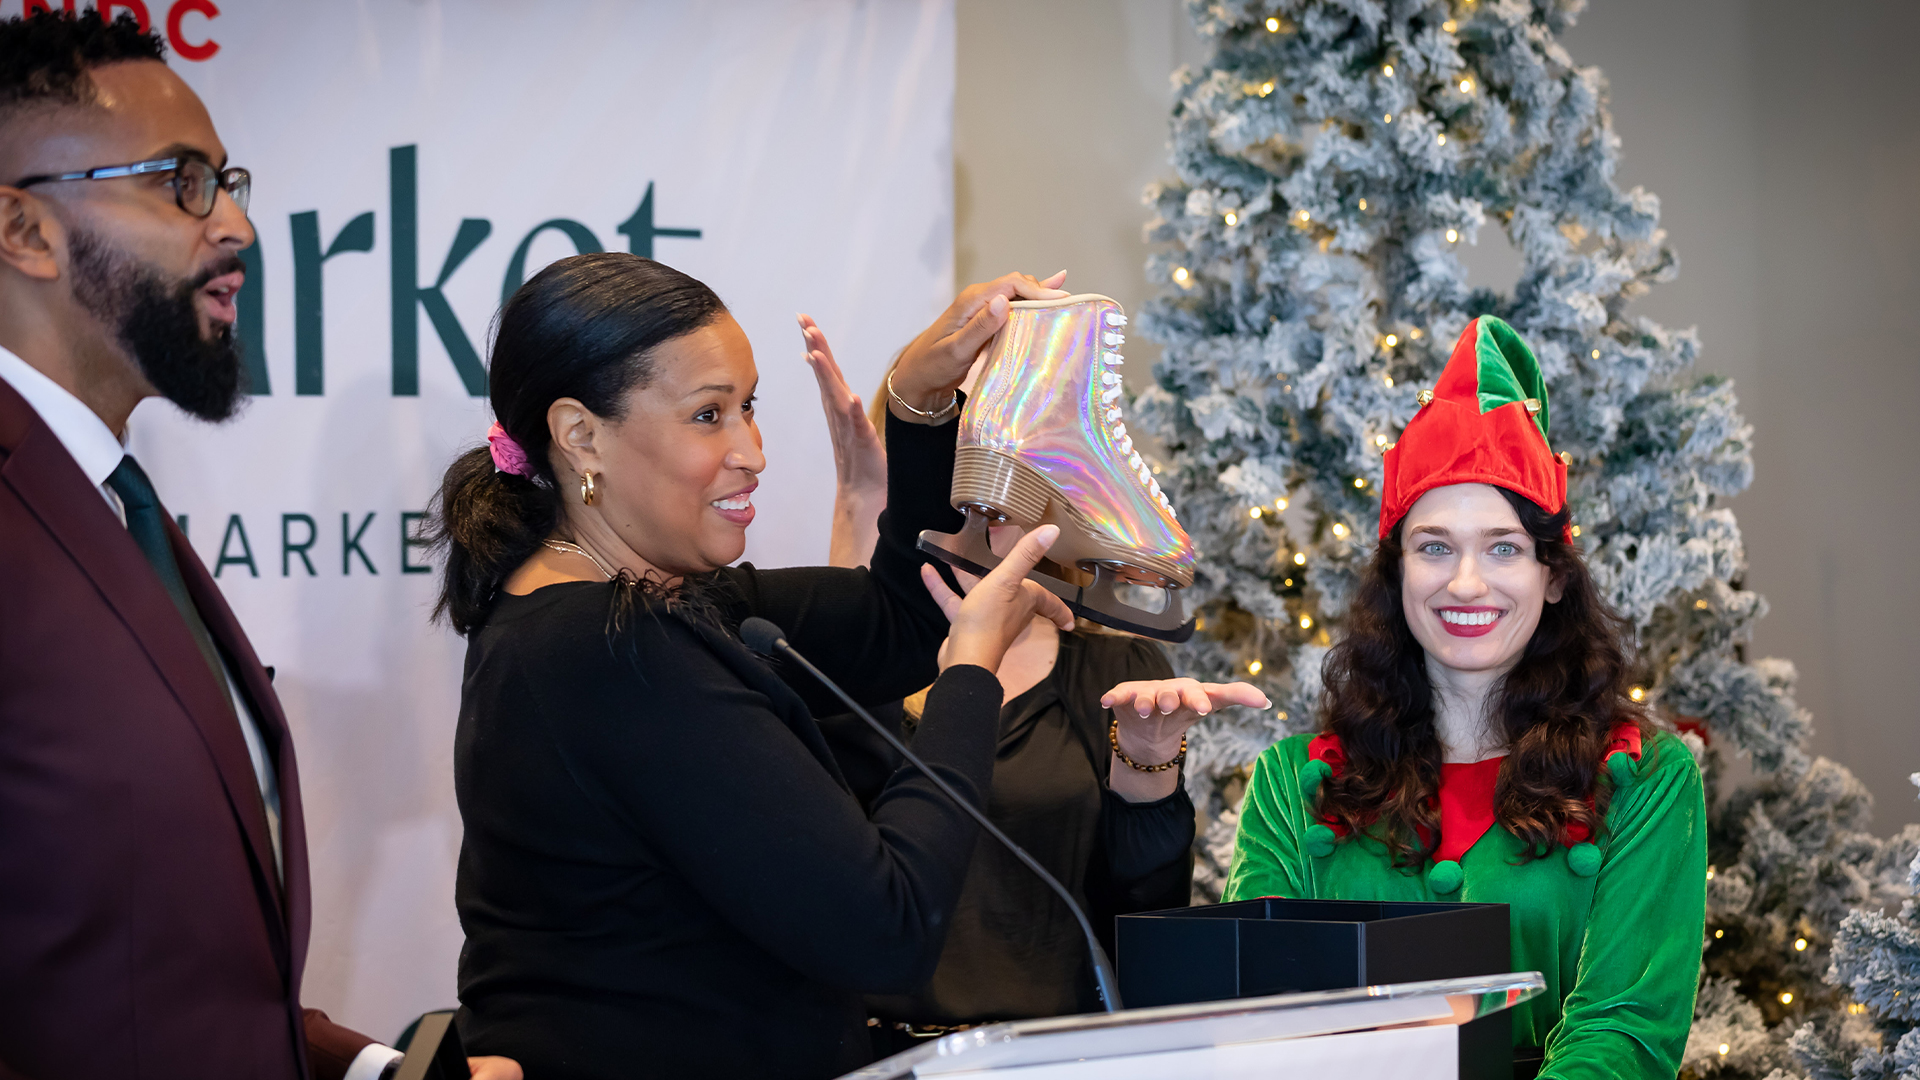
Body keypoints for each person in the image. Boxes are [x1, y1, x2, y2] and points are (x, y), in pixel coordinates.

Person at [431, 254, 1160, 1080]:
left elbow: (901, 618)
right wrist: (971, 678)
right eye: (708, 416)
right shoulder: (609, 652)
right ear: (580, 435)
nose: (753, 452)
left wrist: (917, 400)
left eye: (747, 407)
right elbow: (888, 928)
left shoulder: (654, 606)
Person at [0, 12, 518, 1080]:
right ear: (24, 233)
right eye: (181, 182)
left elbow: (164, 976)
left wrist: (382, 1071)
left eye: (228, 181)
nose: (235, 225)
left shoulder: (115, 502)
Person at [1221, 316, 1707, 1079]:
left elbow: (1625, 1028)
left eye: (1504, 547)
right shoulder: (1292, 785)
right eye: (1435, 546)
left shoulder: (1646, 778)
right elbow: (1258, 1018)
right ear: (1399, 572)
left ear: (1552, 577)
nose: (1467, 582)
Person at [796, 312, 1265, 1043]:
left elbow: (1142, 924)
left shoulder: (1118, 667)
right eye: (964, 432)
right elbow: (824, 877)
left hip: (1051, 1058)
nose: (990, 474)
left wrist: (1147, 767)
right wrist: (859, 520)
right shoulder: (842, 662)